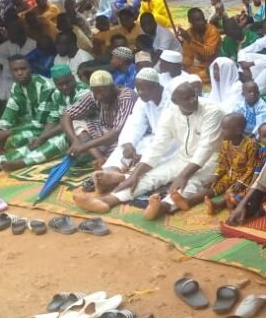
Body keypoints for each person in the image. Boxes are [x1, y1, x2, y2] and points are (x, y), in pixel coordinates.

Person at [73, 76, 224, 220]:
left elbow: (206, 148)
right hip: (183, 157)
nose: (193, 100)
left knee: (189, 185)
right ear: (174, 100)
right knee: (151, 176)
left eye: (194, 95)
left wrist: (183, 176)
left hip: (211, 161)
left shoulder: (212, 111)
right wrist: (134, 175)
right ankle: (108, 200)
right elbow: (157, 147)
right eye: (187, 98)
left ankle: (162, 207)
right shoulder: (170, 114)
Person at [0, 56, 61, 172]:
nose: (20, 73)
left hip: (49, 127)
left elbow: (40, 122)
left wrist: (9, 132)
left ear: (30, 68)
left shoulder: (44, 86)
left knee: (16, 139)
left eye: (23, 69)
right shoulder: (16, 87)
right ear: (11, 72)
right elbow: (10, 111)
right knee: (0, 135)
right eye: (15, 70)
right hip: (32, 124)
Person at [95, 68, 168, 184]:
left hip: (171, 143)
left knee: (150, 156)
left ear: (155, 87)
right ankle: (111, 171)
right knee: (124, 147)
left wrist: (142, 154)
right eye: (137, 89)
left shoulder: (171, 101)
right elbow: (135, 122)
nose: (139, 93)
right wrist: (128, 143)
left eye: (143, 89)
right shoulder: (143, 100)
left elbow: (169, 135)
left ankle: (124, 178)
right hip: (152, 138)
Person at [59, 69, 137, 162]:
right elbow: (67, 115)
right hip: (102, 134)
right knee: (76, 122)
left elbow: (116, 132)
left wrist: (84, 146)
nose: (99, 96)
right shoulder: (94, 95)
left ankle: (94, 154)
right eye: (96, 92)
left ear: (112, 87)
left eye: (102, 92)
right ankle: (99, 157)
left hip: (124, 138)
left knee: (123, 154)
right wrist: (75, 141)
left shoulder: (127, 97)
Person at [200, 112, 259, 214]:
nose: (221, 131)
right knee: (214, 185)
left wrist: (241, 182)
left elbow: (252, 167)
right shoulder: (225, 143)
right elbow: (223, 163)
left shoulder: (250, 145)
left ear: (238, 131)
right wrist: (216, 175)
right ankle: (188, 200)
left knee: (231, 192)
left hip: (244, 178)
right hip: (230, 175)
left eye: (224, 128)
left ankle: (217, 206)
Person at [179, 7, 222, 83]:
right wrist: (184, 68)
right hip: (200, 65)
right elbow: (187, 56)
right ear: (190, 21)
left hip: (214, 64)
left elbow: (209, 52)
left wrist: (190, 40)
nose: (202, 22)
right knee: (186, 72)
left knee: (201, 75)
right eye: (198, 20)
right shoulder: (189, 33)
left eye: (202, 19)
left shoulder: (213, 31)